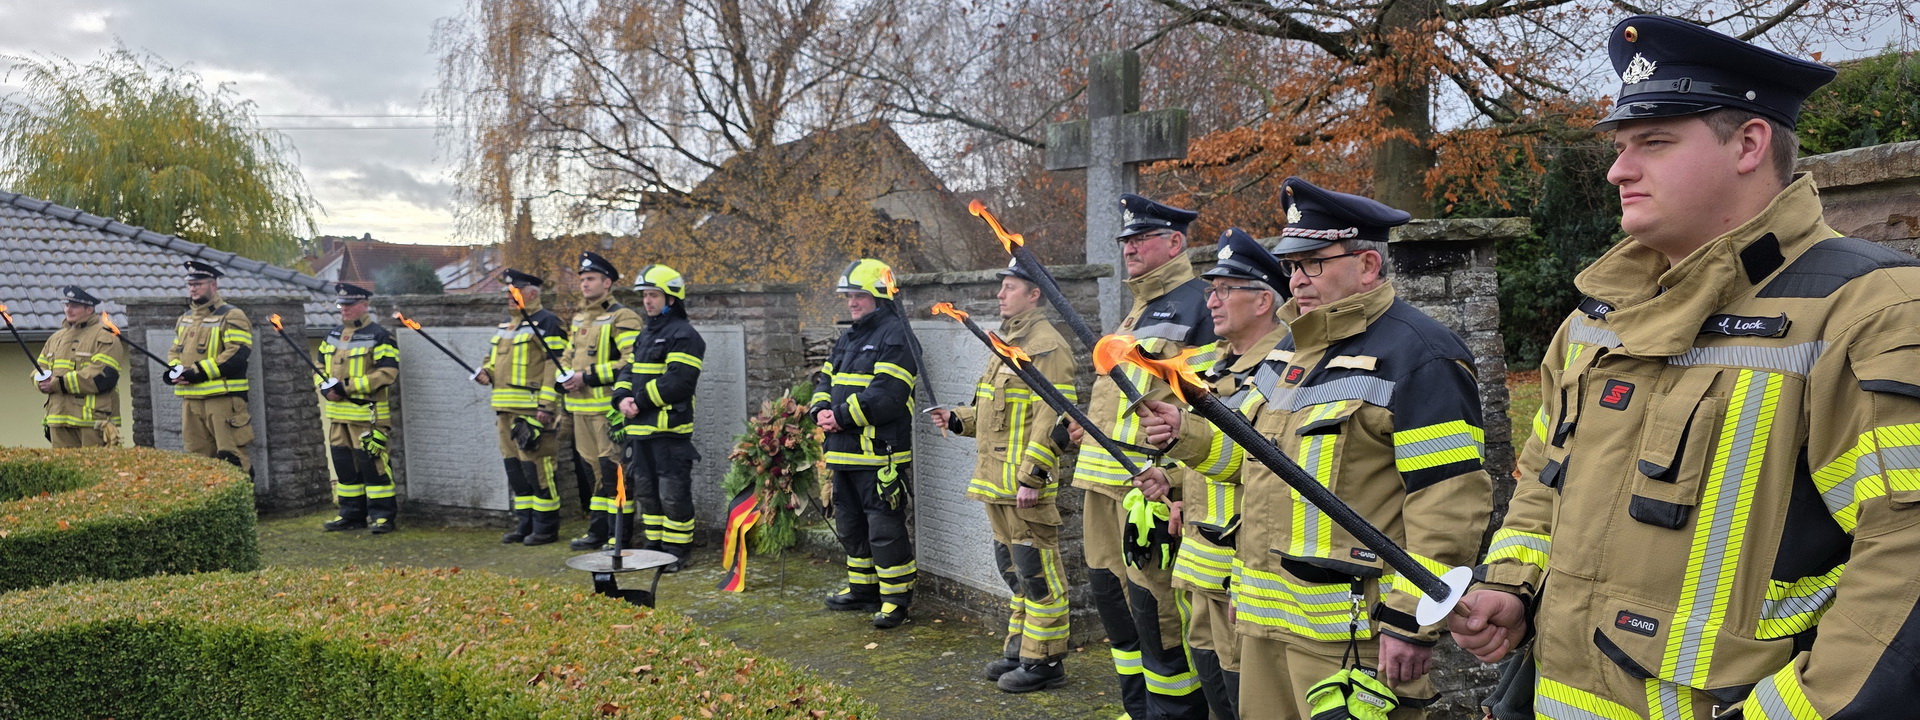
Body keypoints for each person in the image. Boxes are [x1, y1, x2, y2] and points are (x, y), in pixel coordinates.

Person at [1451, 15, 1920, 718]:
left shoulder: (1866, 311)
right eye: (1619, 146)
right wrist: (1511, 584)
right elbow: (1544, 481)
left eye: (1654, 143)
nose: (1618, 169)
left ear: (1750, 145)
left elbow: (1905, 556)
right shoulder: (1597, 318)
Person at [1212, 178, 1492, 719]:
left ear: (1367, 264)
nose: (1296, 279)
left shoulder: (1422, 354)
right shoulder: (1292, 345)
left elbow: (1447, 502)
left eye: (1313, 262)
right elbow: (1244, 461)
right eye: (1292, 265)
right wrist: (1180, 431)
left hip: (1354, 641)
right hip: (1268, 624)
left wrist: (1411, 620)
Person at [1134, 227, 1295, 720]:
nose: (1213, 301)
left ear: (1264, 300)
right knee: (1214, 690)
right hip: (1200, 565)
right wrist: (1175, 482)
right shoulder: (1216, 367)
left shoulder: (1284, 372)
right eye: (1211, 290)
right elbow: (1215, 458)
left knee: (1245, 699)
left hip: (1239, 574)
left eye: (1226, 290)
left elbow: (1270, 467)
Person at [1072, 194, 1217, 720]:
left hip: (1150, 491)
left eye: (1140, 239)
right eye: (1126, 241)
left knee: (1158, 613)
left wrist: (1178, 485)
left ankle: (1172, 712)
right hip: (1105, 485)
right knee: (1116, 605)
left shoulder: (1198, 306)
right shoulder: (1138, 307)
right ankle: (1139, 708)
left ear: (1175, 243)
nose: (1129, 248)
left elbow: (1209, 406)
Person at [929, 260, 1076, 693]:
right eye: (1002, 288)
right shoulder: (1005, 345)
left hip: (1022, 490)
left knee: (1039, 573)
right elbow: (994, 415)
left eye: (1010, 287)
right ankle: (1020, 651)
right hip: (995, 486)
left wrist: (1033, 478)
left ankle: (1046, 662)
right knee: (1014, 572)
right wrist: (956, 419)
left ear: (1034, 294)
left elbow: (1054, 418)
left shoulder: (1047, 347)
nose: (1000, 295)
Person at [813, 258, 921, 629]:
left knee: (885, 530)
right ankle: (863, 589)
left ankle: (896, 599)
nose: (852, 303)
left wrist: (838, 416)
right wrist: (820, 410)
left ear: (879, 296)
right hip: (842, 453)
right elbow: (823, 380)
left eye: (859, 295)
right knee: (851, 526)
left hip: (880, 455)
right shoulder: (849, 336)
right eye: (848, 296)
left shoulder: (897, 336)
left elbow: (888, 395)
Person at [611, 264, 705, 569]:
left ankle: (677, 553)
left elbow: (678, 381)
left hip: (669, 433)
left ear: (672, 299)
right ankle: (654, 547)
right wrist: (621, 398)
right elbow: (628, 370)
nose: (647, 301)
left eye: (653, 295)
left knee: (673, 495)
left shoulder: (685, 335)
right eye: (645, 296)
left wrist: (638, 401)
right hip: (640, 432)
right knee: (648, 495)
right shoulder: (645, 335)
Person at [474, 268, 569, 546]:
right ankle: (525, 524)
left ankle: (546, 528)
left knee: (538, 470)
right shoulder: (506, 324)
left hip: (533, 411)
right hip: (504, 409)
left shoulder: (548, 322)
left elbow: (556, 365)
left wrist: (547, 405)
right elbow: (493, 360)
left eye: (514, 291)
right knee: (515, 470)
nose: (508, 296)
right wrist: (486, 372)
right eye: (507, 292)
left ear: (531, 293)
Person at [563, 252, 645, 551]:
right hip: (579, 410)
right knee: (592, 474)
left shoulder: (623, 317)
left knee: (614, 473)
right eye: (582, 279)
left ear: (607, 283)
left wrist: (586, 377)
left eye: (591, 279)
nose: (584, 284)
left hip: (609, 412)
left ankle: (619, 535)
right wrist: (565, 376)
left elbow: (630, 362)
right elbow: (568, 355)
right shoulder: (580, 317)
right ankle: (597, 531)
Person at [318, 282, 401, 534]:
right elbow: (319, 367)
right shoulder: (331, 335)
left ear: (365, 306)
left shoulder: (380, 336)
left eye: (350, 305)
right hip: (338, 417)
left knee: (373, 467)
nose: (344, 309)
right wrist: (324, 387)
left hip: (368, 416)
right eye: (342, 305)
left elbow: (387, 373)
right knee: (344, 469)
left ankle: (383, 517)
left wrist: (347, 387)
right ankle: (350, 514)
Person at [167, 260, 254, 473]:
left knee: (231, 456)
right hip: (190, 400)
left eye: (199, 284)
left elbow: (237, 354)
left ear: (213, 285)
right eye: (190, 284)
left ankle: (243, 505)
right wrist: (173, 371)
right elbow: (174, 351)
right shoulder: (185, 319)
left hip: (222, 400)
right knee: (197, 460)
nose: (193, 288)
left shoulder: (232, 315)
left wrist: (197, 372)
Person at [35, 286, 127, 448]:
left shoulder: (105, 337)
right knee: (63, 471)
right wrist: (39, 380)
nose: (68, 310)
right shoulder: (55, 338)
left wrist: (56, 383)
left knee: (95, 470)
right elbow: (39, 368)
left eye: (74, 306)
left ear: (89, 309)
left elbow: (102, 377)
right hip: (58, 418)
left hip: (93, 422)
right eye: (66, 305)